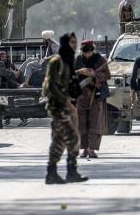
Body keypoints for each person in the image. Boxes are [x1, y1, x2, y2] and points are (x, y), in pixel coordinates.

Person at [43, 33, 88, 184]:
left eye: (76, 42)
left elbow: (70, 83)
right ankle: (66, 172)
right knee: (72, 138)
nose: (75, 45)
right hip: (58, 106)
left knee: (59, 140)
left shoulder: (69, 61)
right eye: (72, 42)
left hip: (68, 106)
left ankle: (57, 173)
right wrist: (66, 102)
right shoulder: (56, 61)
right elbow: (51, 86)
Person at [75, 40, 111, 158]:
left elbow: (107, 75)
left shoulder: (101, 60)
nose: (87, 55)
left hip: (96, 95)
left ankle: (92, 149)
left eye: (89, 52)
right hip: (81, 96)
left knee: (95, 122)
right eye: (85, 52)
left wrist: (94, 75)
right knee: (82, 123)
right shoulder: (78, 60)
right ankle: (84, 149)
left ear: (93, 50)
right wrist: (81, 71)